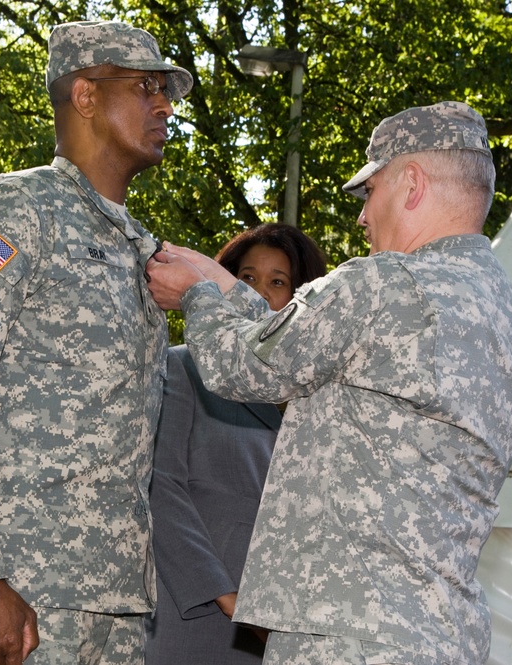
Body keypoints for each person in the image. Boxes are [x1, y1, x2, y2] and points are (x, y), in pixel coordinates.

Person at [145, 101, 512, 665]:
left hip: (346, 636)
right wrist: (225, 287)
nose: (361, 217)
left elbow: (241, 364)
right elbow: (315, 347)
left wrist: (197, 294)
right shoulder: (507, 319)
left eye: (369, 191)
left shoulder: (386, 284)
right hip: (441, 636)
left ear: (411, 183)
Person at [0, 20, 193, 665]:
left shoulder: (139, 246)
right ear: (85, 94)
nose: (165, 105)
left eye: (167, 90)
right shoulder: (10, 212)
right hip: (18, 589)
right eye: (147, 87)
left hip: (112, 598)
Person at [145, 224, 327, 665]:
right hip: (196, 617)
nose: (261, 295)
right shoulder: (185, 367)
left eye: (278, 282)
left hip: (290, 631)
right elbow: (159, 487)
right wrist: (230, 598)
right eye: (246, 279)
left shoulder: (320, 400)